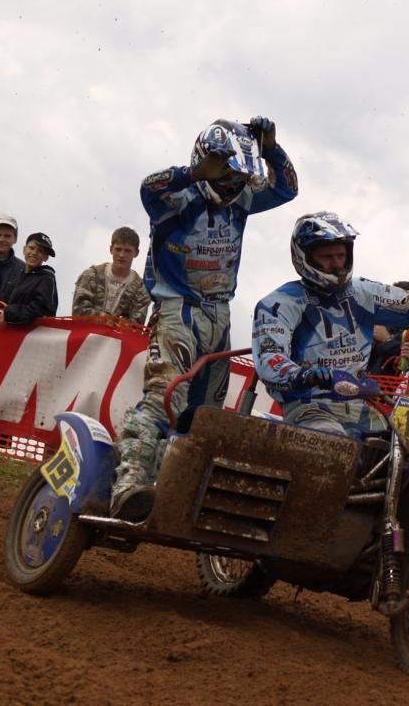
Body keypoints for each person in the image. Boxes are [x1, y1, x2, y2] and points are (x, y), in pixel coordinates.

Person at [111, 116, 298, 521]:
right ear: (206, 162)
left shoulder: (242, 199)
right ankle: (128, 483)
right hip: (176, 309)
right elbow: (147, 186)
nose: (234, 184)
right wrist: (194, 173)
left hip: (220, 314)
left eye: (240, 176)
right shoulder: (176, 199)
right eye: (227, 174)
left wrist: (270, 147)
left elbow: (287, 188)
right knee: (165, 396)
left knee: (206, 415)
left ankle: (179, 492)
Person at [252, 212, 409, 438]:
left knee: (407, 446)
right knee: (333, 444)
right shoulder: (280, 302)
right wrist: (306, 375)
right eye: (327, 257)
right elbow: (269, 356)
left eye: (340, 255)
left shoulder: (361, 291)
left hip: (360, 406)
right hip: (310, 406)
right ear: (305, 257)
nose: (336, 264)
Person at [71, 226, 151, 324]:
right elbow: (78, 312)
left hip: (119, 334)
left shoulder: (140, 289)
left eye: (127, 251)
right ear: (111, 249)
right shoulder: (91, 276)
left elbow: (136, 325)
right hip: (85, 332)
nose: (122, 255)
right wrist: (112, 321)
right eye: (118, 249)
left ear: (136, 253)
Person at [0, 233, 58, 327]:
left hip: (31, 334)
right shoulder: (16, 276)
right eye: (31, 248)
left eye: (40, 251)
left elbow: (42, 310)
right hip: (9, 331)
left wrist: (8, 313)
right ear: (24, 249)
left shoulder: (47, 278)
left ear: (46, 257)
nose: (34, 253)